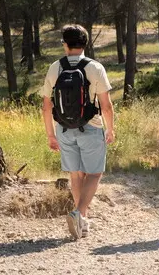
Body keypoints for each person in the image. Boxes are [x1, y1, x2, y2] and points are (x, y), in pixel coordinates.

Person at [40, 25, 115, 240]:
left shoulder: (55, 68)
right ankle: (79, 213)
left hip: (64, 129)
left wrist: (50, 135)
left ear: (65, 43)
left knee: (76, 175)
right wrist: (110, 129)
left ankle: (82, 223)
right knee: (94, 173)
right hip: (90, 127)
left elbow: (47, 106)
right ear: (85, 43)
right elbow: (106, 105)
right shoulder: (95, 67)